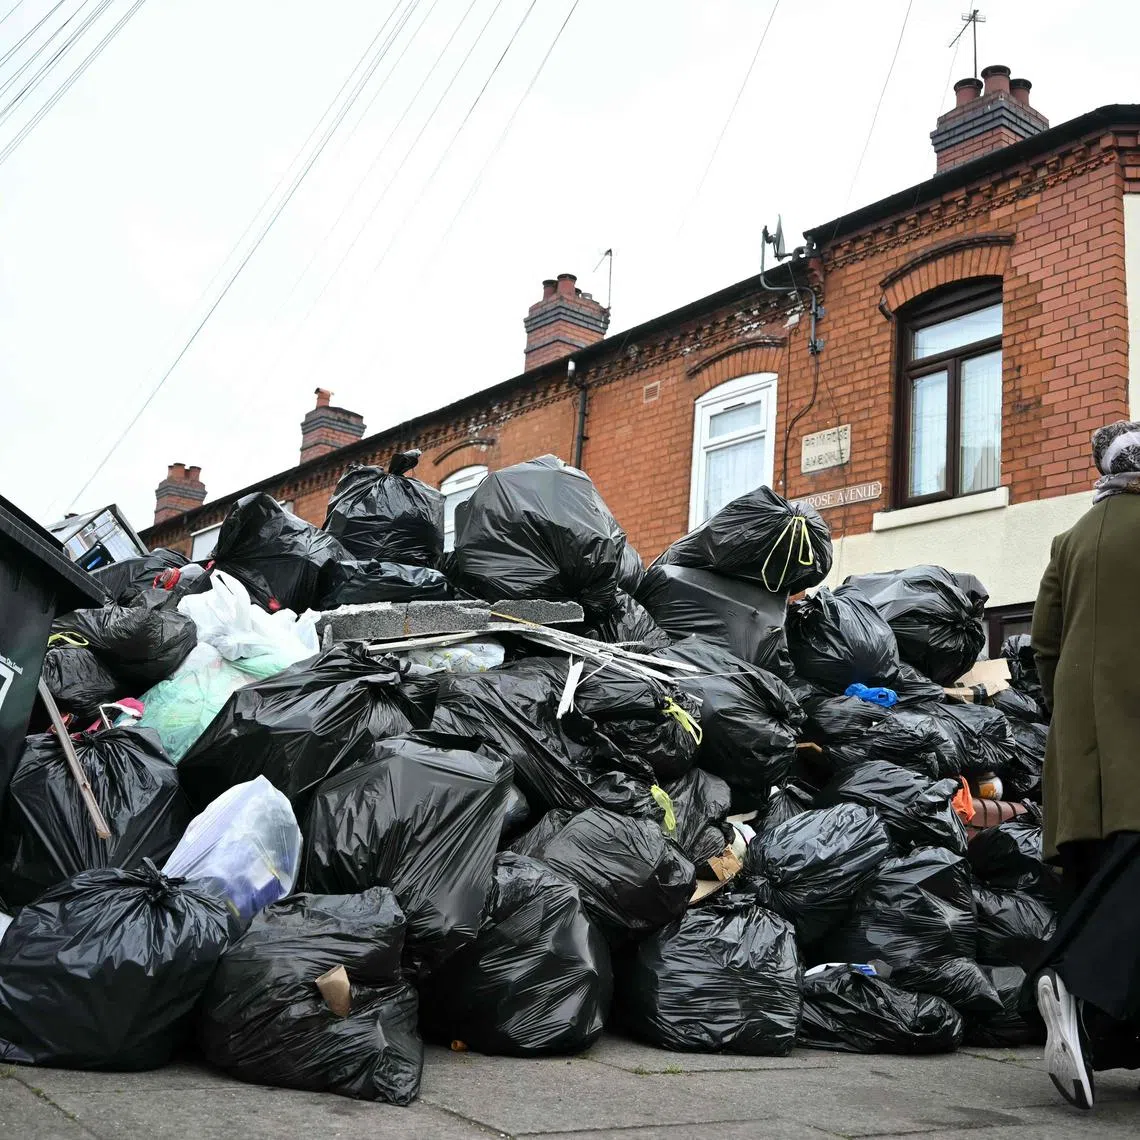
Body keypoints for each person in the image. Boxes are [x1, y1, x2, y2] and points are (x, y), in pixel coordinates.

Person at [1030, 419, 1140, 1110]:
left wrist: (1069, 715)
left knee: (1094, 869)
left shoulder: (1069, 540)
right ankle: (1071, 979)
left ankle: (1096, 1039)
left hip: (1080, 743)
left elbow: (1044, 643)